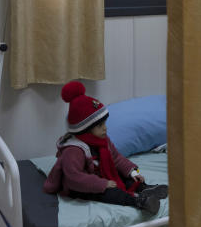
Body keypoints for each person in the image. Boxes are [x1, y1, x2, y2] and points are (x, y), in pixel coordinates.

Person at [43, 81, 168, 215]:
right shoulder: (74, 150)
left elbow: (117, 158)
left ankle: (143, 188)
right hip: (80, 186)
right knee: (107, 192)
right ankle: (137, 201)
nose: (105, 128)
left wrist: (133, 172)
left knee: (121, 174)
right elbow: (74, 178)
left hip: (98, 174)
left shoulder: (103, 140)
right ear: (85, 129)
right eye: (100, 125)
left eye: (104, 123)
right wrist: (102, 184)